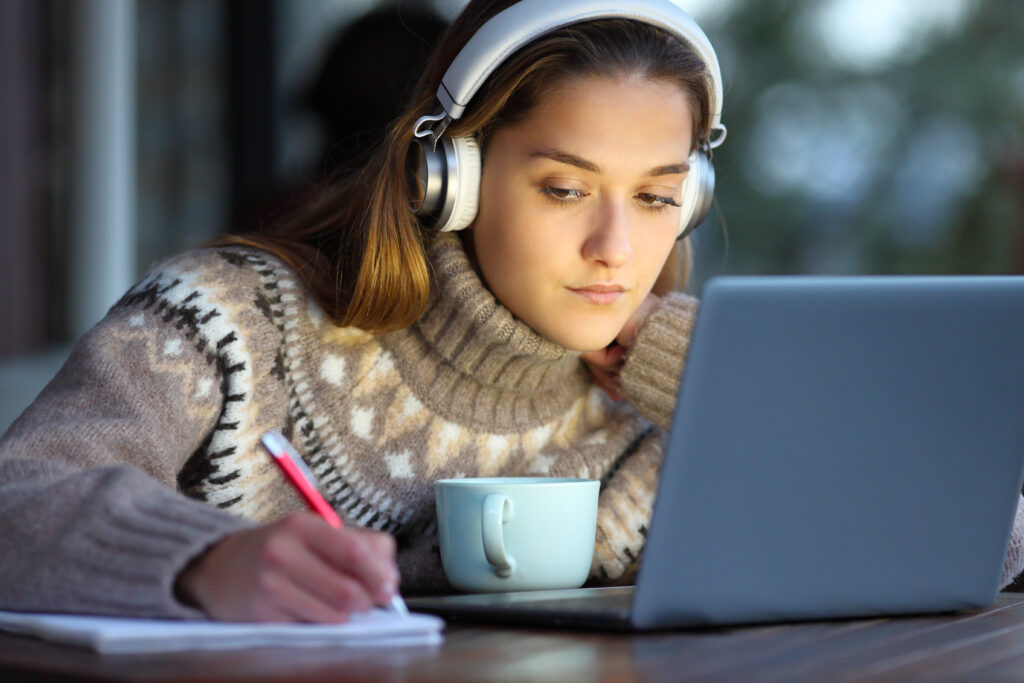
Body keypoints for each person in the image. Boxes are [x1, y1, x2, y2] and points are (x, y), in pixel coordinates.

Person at [1, 0, 1021, 624]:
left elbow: (987, 539)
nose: (616, 250)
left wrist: (731, 388)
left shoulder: (671, 402)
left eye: (659, 197)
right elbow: (17, 497)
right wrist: (200, 561)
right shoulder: (230, 321)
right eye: (564, 188)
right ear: (452, 177)